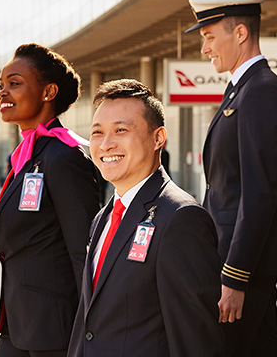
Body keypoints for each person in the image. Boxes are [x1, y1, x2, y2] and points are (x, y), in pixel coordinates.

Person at [68, 79, 223, 357]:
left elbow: (195, 338)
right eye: (97, 133)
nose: (105, 144)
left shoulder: (181, 219)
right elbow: (88, 322)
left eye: (121, 130)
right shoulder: (103, 218)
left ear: (158, 137)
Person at [185, 0, 277, 356]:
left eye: (209, 37)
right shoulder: (242, 90)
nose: (205, 49)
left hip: (245, 265)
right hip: (240, 258)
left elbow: (259, 194)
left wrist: (234, 276)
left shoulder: (260, 90)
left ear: (240, 34)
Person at [0, 43, 100, 357]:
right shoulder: (25, 156)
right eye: (1, 86)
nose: (3, 94)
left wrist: (91, 329)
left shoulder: (62, 156)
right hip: (19, 320)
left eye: (14, 83)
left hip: (55, 330)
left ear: (48, 92)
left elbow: (84, 249)